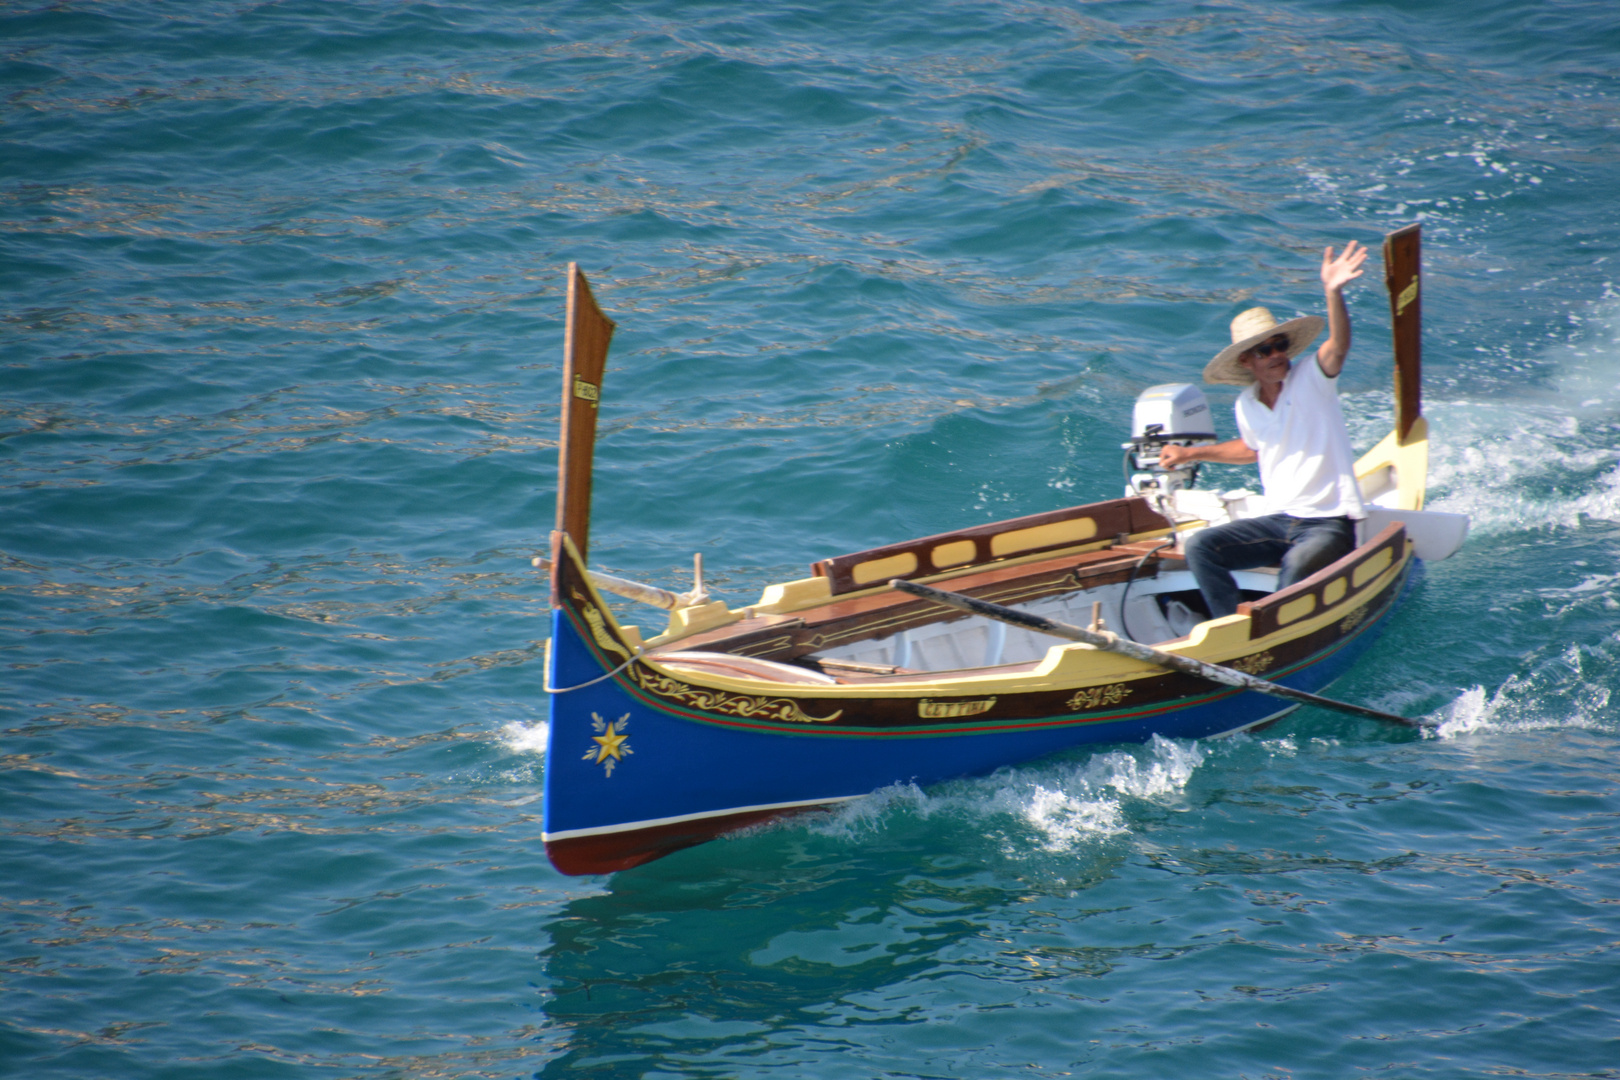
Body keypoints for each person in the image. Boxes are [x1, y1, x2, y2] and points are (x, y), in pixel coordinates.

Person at [1157, 240, 1370, 619]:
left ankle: (1267, 636)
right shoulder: (1246, 404)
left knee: (1296, 567)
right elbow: (1254, 449)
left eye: (1279, 346)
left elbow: (1338, 346)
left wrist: (1332, 292)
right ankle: (1227, 627)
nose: (1276, 355)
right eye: (1264, 350)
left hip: (1330, 523)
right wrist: (1190, 454)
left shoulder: (1312, 378)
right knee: (1200, 547)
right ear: (1246, 361)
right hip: (1280, 520)